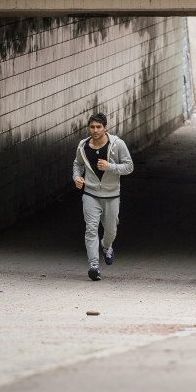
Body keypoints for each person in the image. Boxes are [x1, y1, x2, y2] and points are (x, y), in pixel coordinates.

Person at [72, 112, 134, 281]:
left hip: (112, 195)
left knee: (110, 231)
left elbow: (129, 167)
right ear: (88, 128)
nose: (95, 130)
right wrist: (77, 178)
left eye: (99, 127)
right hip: (90, 194)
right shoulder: (82, 146)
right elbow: (77, 164)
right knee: (91, 229)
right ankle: (94, 265)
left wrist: (110, 167)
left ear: (105, 128)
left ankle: (106, 246)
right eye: (92, 127)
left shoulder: (117, 144)